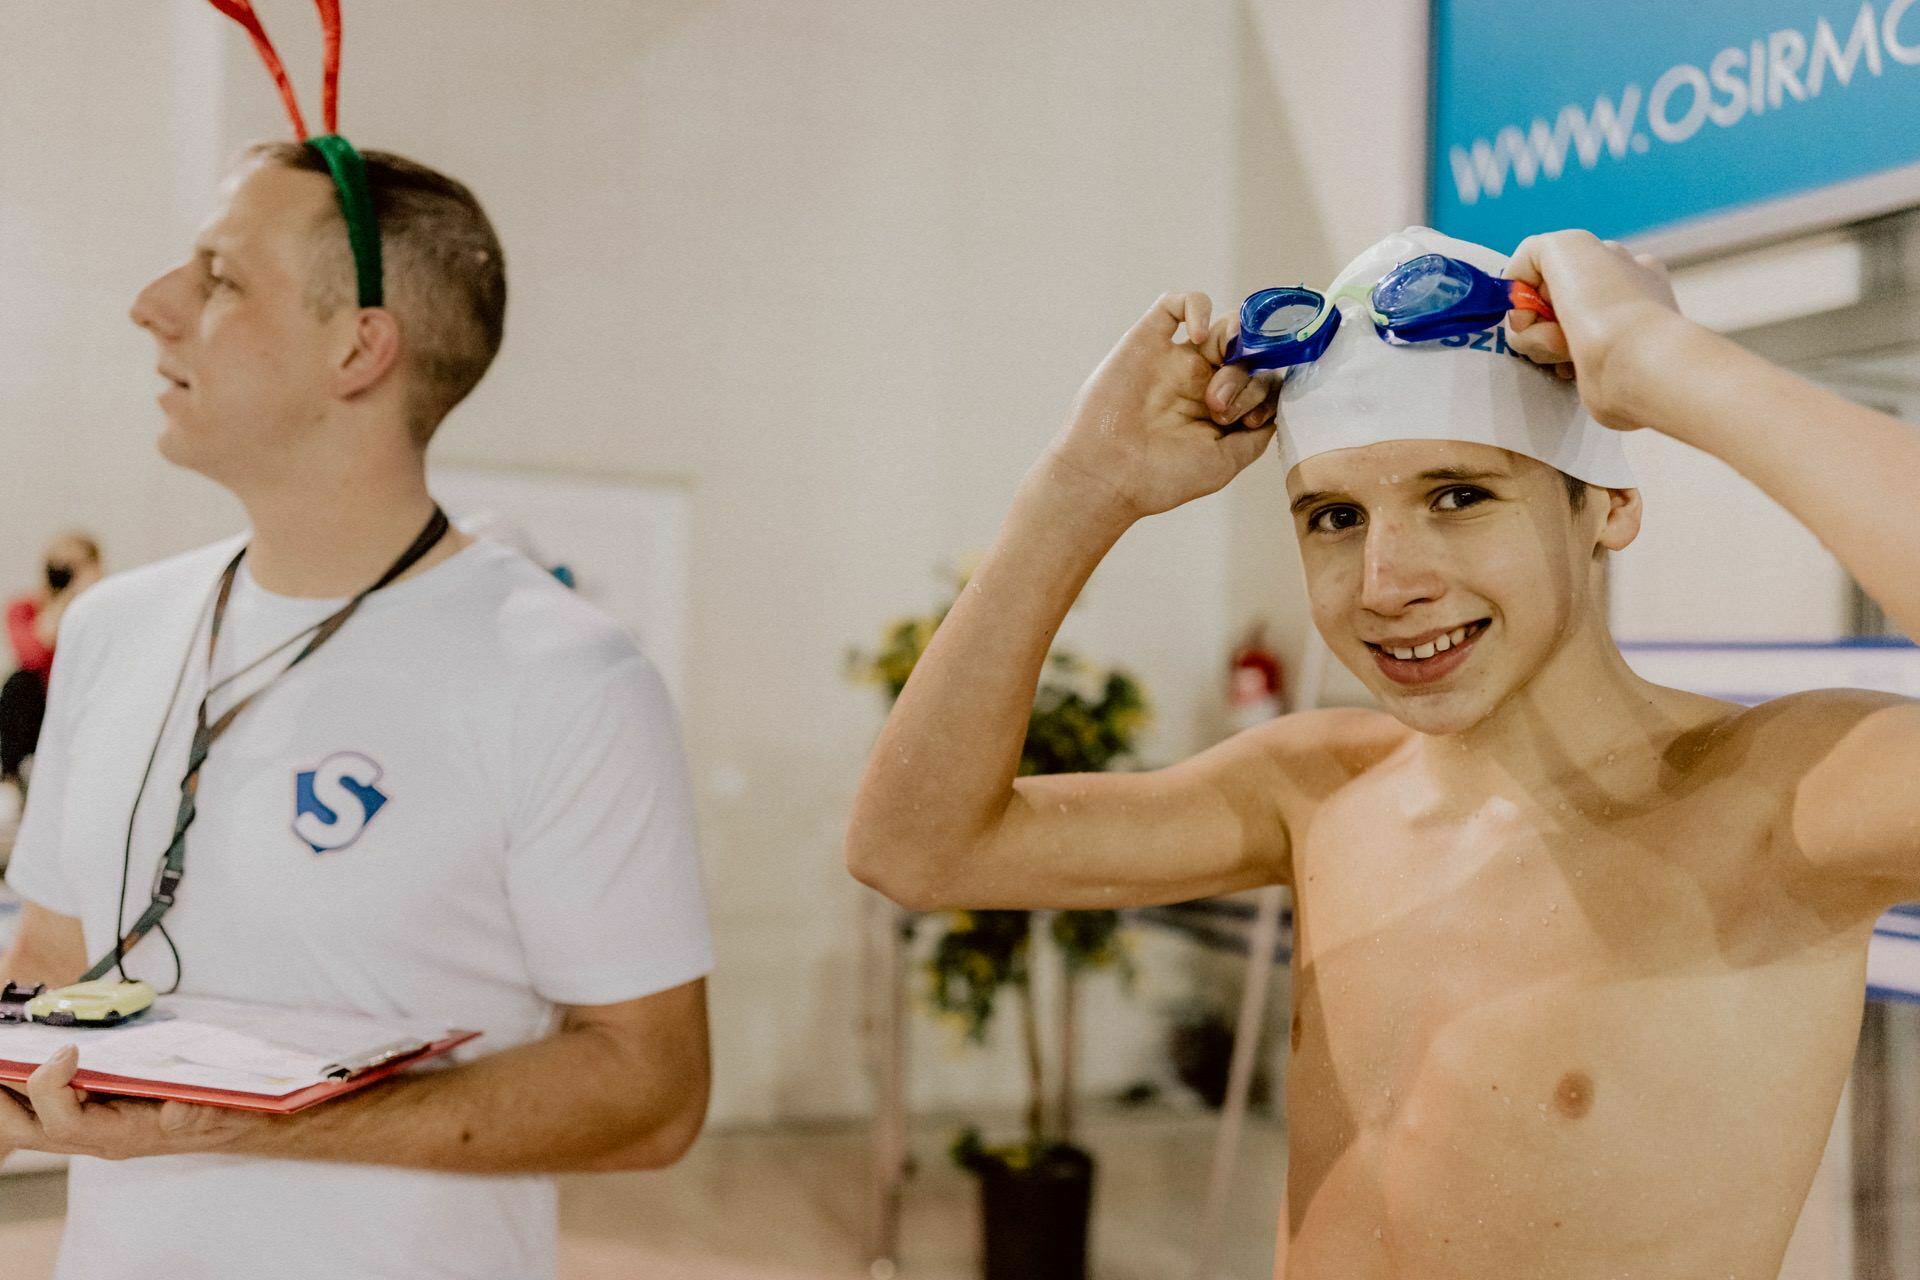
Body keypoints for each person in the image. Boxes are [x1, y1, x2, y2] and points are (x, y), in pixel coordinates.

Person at [847, 223, 1920, 1279]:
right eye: (1334, 516)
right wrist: (1081, 488)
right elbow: (915, 843)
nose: (1385, 580)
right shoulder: (1316, 789)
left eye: (1460, 495)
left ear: (1609, 503)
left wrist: (1659, 361)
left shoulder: (1776, 800)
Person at [0, 139, 713, 1280]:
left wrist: (263, 1115)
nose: (151, 306)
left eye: (221, 277)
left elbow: (652, 1089)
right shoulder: (112, 628)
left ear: (359, 347)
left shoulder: (565, 677)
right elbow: (51, 956)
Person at [1, 533, 102, 789]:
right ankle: (10, 778)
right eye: (60, 568)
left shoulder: (102, 609)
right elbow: (33, 653)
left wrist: (91, 597)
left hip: (86, 696)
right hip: (42, 702)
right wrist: (64, 599)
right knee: (19, 684)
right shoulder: (25, 608)